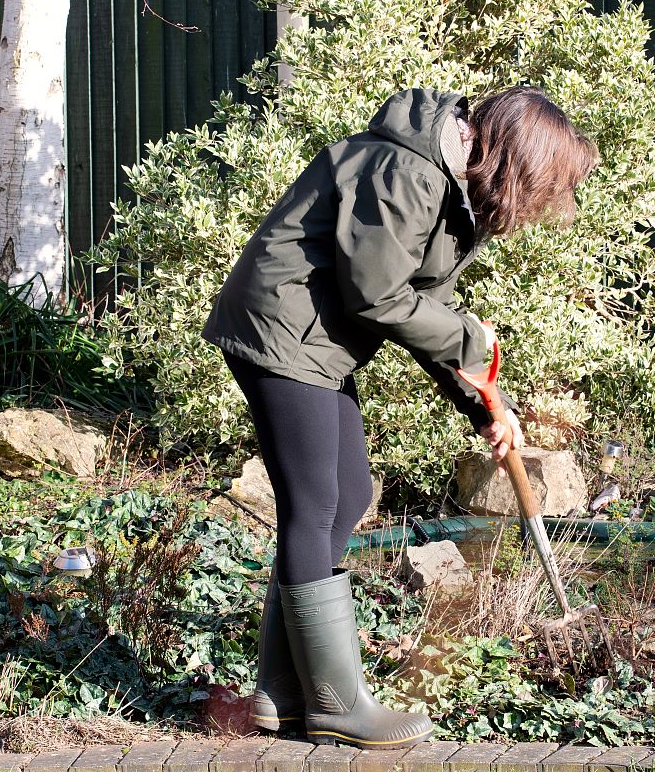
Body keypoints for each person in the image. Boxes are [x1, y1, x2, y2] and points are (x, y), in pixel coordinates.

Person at [201, 87, 599, 749]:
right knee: (315, 502)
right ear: (518, 164)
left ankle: (279, 694)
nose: (539, 206)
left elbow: (420, 312)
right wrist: (472, 338)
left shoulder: (451, 189)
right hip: (282, 327)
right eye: (544, 187)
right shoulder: (408, 173)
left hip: (315, 340)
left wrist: (481, 406)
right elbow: (377, 295)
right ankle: (334, 704)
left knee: (347, 494)